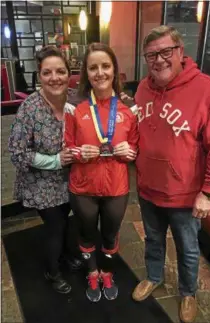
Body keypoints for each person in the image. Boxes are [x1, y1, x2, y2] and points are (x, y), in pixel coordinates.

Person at [128, 26, 210, 323]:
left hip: (185, 194)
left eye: (165, 52)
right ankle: (154, 276)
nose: (159, 60)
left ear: (180, 51)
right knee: (153, 240)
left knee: (188, 249)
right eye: (151, 55)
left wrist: (209, 192)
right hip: (148, 188)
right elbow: (140, 130)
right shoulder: (143, 88)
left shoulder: (207, 89)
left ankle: (187, 292)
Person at [64, 42, 139, 302]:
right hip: (83, 187)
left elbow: (137, 146)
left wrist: (130, 151)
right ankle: (91, 271)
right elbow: (67, 146)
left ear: (114, 69)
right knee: (86, 234)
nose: (100, 73)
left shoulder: (129, 107)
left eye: (105, 66)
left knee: (109, 235)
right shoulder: (74, 106)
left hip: (116, 187)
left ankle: (107, 271)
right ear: (86, 72)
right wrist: (78, 152)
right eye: (93, 67)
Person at [8, 46, 82, 294]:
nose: (55, 78)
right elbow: (17, 153)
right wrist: (55, 160)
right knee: (56, 226)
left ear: (68, 73)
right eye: (47, 72)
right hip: (39, 182)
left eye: (60, 71)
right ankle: (52, 270)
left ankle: (66, 254)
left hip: (69, 179)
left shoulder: (75, 99)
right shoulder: (30, 109)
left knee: (66, 220)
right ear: (39, 76)